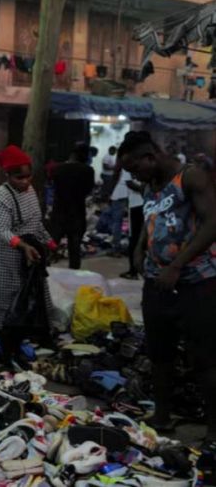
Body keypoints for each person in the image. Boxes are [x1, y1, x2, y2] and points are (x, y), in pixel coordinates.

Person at [118, 131, 216, 448]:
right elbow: (155, 220)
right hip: (156, 281)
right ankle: (162, 416)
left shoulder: (190, 177)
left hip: (196, 282)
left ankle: (213, 431)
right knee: (159, 353)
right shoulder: (151, 185)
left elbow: (212, 223)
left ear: (151, 156)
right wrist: (140, 247)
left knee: (203, 356)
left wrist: (178, 265)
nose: (135, 176)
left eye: (135, 169)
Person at [0, 145, 57, 348]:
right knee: (3, 303)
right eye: (19, 178)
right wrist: (23, 246)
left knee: (32, 299)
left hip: (29, 256)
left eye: (28, 177)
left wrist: (49, 241)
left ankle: (24, 338)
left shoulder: (30, 191)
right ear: (7, 175)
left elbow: (35, 222)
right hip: (4, 257)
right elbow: (3, 230)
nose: (25, 182)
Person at [49, 145, 95, 269]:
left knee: (52, 244)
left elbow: (54, 186)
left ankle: (43, 271)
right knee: (74, 248)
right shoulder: (88, 170)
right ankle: (74, 274)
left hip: (59, 211)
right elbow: (88, 190)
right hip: (77, 212)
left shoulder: (58, 169)